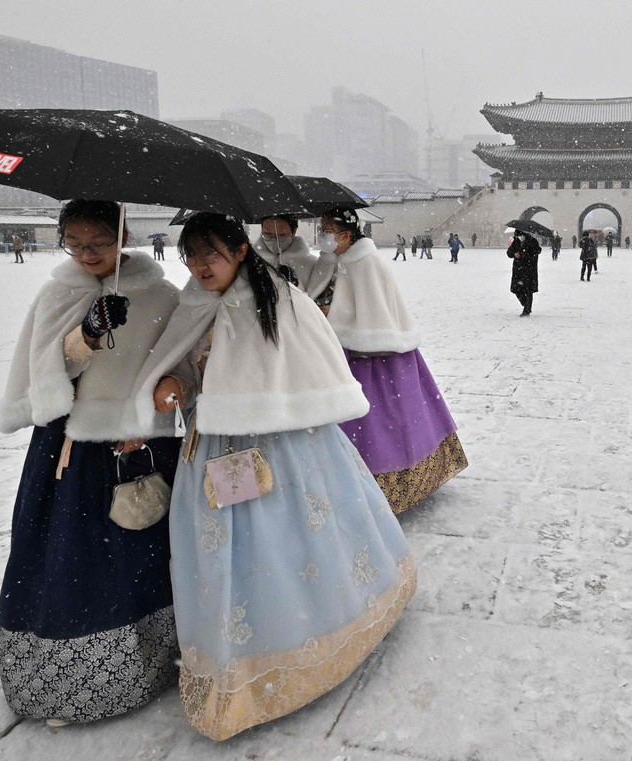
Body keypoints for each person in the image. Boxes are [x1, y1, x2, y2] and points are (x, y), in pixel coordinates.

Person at [133, 212, 416, 740]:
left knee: (281, 539)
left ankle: (298, 641)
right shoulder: (194, 303)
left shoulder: (279, 299)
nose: (200, 266)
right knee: (228, 548)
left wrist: (261, 404)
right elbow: (189, 368)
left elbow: (303, 366)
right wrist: (173, 380)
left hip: (280, 447)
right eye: (191, 256)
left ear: (241, 250)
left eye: (211, 254)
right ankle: (233, 656)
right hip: (213, 448)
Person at [0, 199, 182, 727]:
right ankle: (72, 677)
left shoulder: (161, 294)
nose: (86, 253)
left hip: (141, 442)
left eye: (98, 242)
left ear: (122, 234)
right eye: (73, 243)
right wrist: (88, 336)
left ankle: (154, 655)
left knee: (142, 550)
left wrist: (146, 416)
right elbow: (48, 370)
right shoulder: (60, 291)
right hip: (73, 450)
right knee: (73, 555)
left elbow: (174, 365)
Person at [312, 207, 468, 512]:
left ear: (346, 234)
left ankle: (391, 483)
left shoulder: (365, 263)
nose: (323, 235)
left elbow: (375, 314)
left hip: (376, 359)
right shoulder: (337, 261)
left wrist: (336, 316)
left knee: (385, 421)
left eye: (328, 229)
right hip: (343, 353)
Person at [251, 214, 317, 289]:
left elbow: (314, 298)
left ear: (294, 231)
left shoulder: (311, 265)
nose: (273, 239)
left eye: (281, 235)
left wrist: (295, 286)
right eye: (267, 234)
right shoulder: (251, 262)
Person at [508, 230, 541, 316]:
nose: (519, 237)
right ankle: (525, 303)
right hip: (518, 270)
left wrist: (522, 254)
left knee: (528, 290)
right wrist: (514, 254)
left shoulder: (532, 242)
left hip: (529, 270)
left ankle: (527, 309)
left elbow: (535, 254)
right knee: (516, 289)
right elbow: (509, 252)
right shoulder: (516, 242)